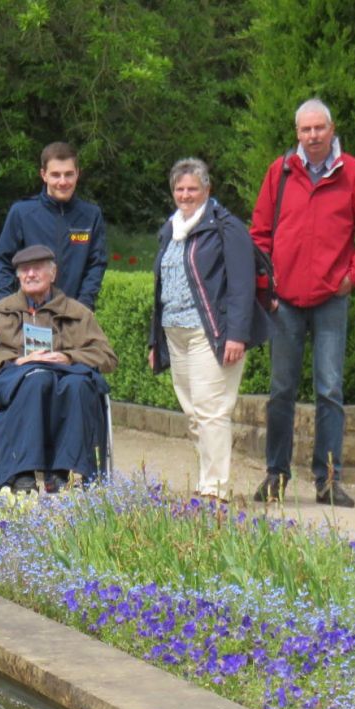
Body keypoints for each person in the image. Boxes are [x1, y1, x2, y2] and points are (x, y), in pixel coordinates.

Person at [248, 98, 355, 509]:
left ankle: (328, 480)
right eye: (305, 130)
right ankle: (276, 475)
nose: (312, 137)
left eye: (319, 129)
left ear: (332, 128)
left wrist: (351, 277)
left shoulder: (353, 173)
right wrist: (266, 285)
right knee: (281, 392)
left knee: (329, 390)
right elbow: (259, 233)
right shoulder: (281, 172)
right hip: (285, 301)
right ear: (297, 133)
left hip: (330, 299)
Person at [147, 158, 268, 500]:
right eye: (180, 189)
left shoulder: (226, 227)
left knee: (212, 410)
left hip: (211, 332)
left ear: (207, 190)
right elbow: (161, 287)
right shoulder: (171, 228)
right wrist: (155, 339)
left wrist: (237, 335)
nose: (185, 195)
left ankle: (215, 490)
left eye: (192, 189)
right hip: (176, 332)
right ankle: (206, 482)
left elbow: (242, 284)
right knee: (193, 413)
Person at [0, 244, 118, 493]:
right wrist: (16, 360)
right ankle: (21, 472)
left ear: (53, 274)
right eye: (24, 270)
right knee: (36, 380)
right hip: (19, 379)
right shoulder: (1, 311)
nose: (30, 274)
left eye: (37, 269)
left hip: (67, 379)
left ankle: (66, 471)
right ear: (17, 276)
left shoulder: (77, 313)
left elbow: (107, 356)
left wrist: (69, 357)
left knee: (79, 385)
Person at [0, 142, 108, 310]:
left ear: (78, 174)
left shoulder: (91, 216)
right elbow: (3, 262)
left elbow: (96, 265)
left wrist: (83, 307)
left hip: (73, 317)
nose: (63, 182)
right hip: (28, 316)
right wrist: (9, 307)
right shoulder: (22, 213)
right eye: (55, 175)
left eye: (69, 174)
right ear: (44, 175)